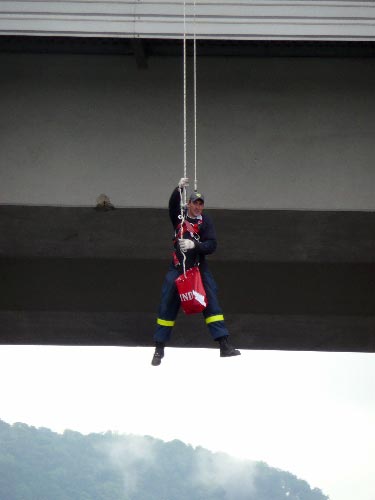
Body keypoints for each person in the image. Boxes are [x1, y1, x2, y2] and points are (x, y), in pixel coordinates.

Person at [151, 177, 240, 366]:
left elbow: (212, 245)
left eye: (201, 204)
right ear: (189, 203)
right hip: (177, 268)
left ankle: (224, 344)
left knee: (211, 302)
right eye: (195, 203)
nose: (198, 207)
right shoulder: (180, 216)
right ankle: (159, 349)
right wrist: (179, 190)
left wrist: (195, 245)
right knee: (167, 304)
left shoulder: (205, 222)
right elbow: (172, 205)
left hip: (198, 268)